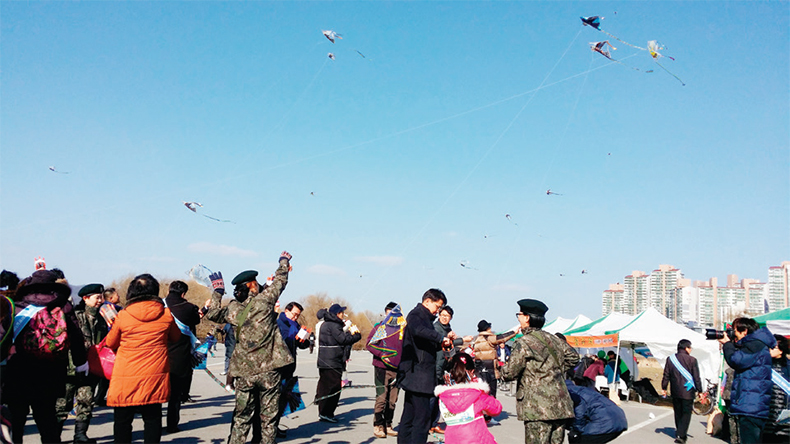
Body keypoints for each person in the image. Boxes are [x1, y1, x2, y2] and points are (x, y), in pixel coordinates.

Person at [205, 251, 295, 444]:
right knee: (268, 421)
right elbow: (281, 279)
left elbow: (212, 314)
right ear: (252, 285)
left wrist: (217, 292)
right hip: (269, 370)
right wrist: (284, 261)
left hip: (244, 372)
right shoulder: (265, 301)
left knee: (241, 418)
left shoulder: (233, 309)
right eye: (256, 282)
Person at [5, 269, 89, 444]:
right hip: (51, 373)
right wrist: (81, 364)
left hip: (18, 372)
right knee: (47, 422)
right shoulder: (64, 307)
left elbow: (4, 338)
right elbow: (76, 339)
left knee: (17, 421)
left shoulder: (17, 307)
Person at [106, 273, 181, 443]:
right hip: (154, 374)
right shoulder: (166, 315)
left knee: (122, 421)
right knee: (153, 419)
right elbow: (176, 337)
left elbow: (110, 343)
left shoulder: (123, 315)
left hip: (126, 375)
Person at [501, 299, 580, 444]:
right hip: (560, 405)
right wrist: (555, 370)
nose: (518, 318)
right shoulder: (554, 339)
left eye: (519, 314)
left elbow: (509, 373)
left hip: (538, 407)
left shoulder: (524, 342)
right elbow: (574, 357)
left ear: (527, 318)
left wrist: (500, 370)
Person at [397, 288, 455, 444]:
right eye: (437, 307)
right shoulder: (416, 315)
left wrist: (446, 341)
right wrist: (440, 338)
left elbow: (428, 343)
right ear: (427, 301)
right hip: (418, 376)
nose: (437, 311)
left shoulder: (427, 319)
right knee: (421, 420)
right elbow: (418, 330)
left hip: (418, 376)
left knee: (409, 416)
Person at [55, 283, 108, 443]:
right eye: (97, 297)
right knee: (62, 405)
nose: (100, 300)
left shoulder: (101, 320)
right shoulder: (75, 316)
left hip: (90, 369)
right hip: (70, 369)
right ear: (85, 298)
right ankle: (54, 436)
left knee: (86, 402)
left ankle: (80, 435)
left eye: (102, 297)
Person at [720, 317, 777, 444]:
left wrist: (727, 344)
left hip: (750, 406)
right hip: (754, 405)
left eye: (734, 330)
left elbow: (736, 360)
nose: (733, 333)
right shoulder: (757, 344)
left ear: (744, 331)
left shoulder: (754, 344)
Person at [435, 352, 502, 444]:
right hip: (477, 438)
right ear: (472, 372)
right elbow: (496, 408)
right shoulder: (478, 394)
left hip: (452, 438)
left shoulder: (443, 396)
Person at [164, 280, 200, 434]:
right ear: (183, 293)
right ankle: (172, 425)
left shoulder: (159, 306)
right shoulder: (189, 308)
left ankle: (150, 425)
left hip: (159, 354)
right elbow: (196, 321)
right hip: (179, 355)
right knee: (175, 395)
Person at [316, 303, 362, 422]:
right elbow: (343, 339)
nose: (343, 315)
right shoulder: (333, 325)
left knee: (325, 387)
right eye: (341, 313)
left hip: (325, 360)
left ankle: (323, 411)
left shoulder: (326, 324)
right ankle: (327, 412)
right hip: (332, 362)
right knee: (334, 387)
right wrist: (356, 336)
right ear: (337, 314)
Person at [366, 302, 405, 438]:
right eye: (389, 313)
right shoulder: (381, 327)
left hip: (397, 370)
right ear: (385, 313)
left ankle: (388, 424)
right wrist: (382, 354)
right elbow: (370, 344)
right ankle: (378, 425)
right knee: (382, 398)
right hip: (381, 368)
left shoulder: (402, 329)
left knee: (392, 400)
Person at [431, 305, 472, 434]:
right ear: (439, 315)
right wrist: (462, 340)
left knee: (438, 397)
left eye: (447, 316)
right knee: (433, 397)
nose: (444, 318)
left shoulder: (447, 329)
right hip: (435, 365)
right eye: (442, 315)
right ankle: (429, 423)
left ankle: (433, 423)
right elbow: (444, 342)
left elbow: (450, 348)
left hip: (443, 366)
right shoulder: (436, 328)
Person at [275, 301, 310, 437]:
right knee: (275, 399)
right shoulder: (279, 323)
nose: (296, 317)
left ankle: (275, 425)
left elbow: (301, 345)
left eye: (298, 315)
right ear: (287, 311)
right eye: (294, 314)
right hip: (279, 366)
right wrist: (293, 339)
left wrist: (304, 340)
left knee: (284, 399)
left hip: (290, 366)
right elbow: (280, 341)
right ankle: (269, 429)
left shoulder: (295, 325)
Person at [661, 339, 702, 444]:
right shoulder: (692, 360)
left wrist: (664, 387)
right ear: (686, 348)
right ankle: (682, 435)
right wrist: (700, 390)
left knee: (678, 412)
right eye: (690, 347)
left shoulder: (670, 359)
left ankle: (679, 431)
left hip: (675, 390)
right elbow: (696, 377)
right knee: (686, 413)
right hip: (688, 391)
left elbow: (666, 375)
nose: (691, 349)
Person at [472, 320, 518, 403]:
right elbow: (502, 338)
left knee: (482, 392)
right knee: (491, 393)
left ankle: (482, 411)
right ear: (487, 328)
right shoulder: (489, 338)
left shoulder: (477, 339)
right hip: (490, 368)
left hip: (480, 368)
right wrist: (514, 332)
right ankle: (489, 413)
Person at [764, 334, 790, 442]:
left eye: (773, 347)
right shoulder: (764, 365)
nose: (770, 350)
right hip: (767, 410)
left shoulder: (788, 367)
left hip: (784, 413)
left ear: (781, 350)